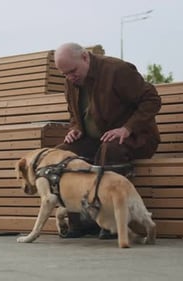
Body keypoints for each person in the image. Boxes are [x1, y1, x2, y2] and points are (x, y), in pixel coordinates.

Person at [54, 42, 161, 239]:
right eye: (65, 74)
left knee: (109, 150)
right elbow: (74, 114)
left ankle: (111, 222)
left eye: (72, 71)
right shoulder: (70, 80)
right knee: (63, 155)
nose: (70, 77)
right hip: (97, 138)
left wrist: (127, 128)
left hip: (137, 137)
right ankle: (79, 222)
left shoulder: (117, 70)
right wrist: (76, 128)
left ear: (85, 57)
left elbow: (152, 100)